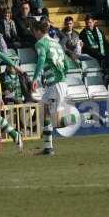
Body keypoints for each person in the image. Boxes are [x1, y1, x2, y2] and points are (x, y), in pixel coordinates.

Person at [31, 20, 71, 156]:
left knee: (57, 123)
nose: (33, 34)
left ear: (37, 31)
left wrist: (35, 78)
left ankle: (87, 116)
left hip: (55, 85)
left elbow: (41, 59)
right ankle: (48, 148)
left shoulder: (40, 43)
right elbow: (67, 65)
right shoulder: (56, 43)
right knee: (43, 108)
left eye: (33, 31)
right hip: (59, 83)